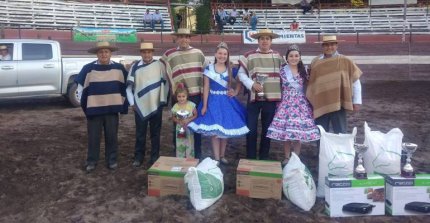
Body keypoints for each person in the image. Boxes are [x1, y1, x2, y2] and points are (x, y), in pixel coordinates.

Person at [188, 42, 249, 164]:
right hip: (213, 101)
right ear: (215, 54)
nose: (222, 56)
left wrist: (236, 91)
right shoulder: (209, 69)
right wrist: (204, 105)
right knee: (215, 132)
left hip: (226, 102)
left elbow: (240, 80)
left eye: (225, 54)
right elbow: (206, 87)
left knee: (224, 130)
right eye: (220, 53)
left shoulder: (231, 69)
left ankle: (222, 155)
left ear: (228, 55)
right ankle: (216, 157)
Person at [75, 41, 128, 172]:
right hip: (94, 110)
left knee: (112, 136)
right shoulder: (88, 69)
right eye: (101, 52)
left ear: (110, 53)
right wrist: (86, 107)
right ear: (96, 54)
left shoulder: (119, 68)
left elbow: (125, 88)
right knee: (93, 137)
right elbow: (80, 89)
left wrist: (123, 105)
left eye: (106, 51)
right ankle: (92, 161)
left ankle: (112, 160)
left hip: (112, 109)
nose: (103, 54)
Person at [266, 45, 320, 166]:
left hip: (301, 104)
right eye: (291, 56)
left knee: (298, 133)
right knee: (287, 133)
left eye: (296, 56)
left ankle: (296, 156)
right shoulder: (281, 71)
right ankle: (286, 156)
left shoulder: (305, 70)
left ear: (300, 57)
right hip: (286, 103)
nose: (294, 58)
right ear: (287, 58)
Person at [160, 28, 207, 160]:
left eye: (186, 37)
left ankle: (197, 152)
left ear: (190, 38)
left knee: (195, 124)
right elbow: (162, 69)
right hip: (179, 96)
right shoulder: (169, 54)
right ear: (177, 38)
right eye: (181, 37)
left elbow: (206, 72)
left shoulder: (198, 53)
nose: (184, 39)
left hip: (195, 94)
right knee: (178, 123)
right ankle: (178, 150)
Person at [237, 29, 285, 160]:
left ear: (271, 41)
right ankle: (250, 157)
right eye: (262, 38)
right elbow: (240, 74)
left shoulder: (278, 56)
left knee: (267, 130)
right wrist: (251, 84)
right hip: (254, 98)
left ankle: (264, 157)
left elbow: (285, 74)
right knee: (251, 129)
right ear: (258, 41)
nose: (264, 41)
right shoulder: (249, 55)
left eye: (267, 38)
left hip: (271, 99)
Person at [306, 35, 362, 134]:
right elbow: (311, 81)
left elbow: (355, 81)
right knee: (320, 132)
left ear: (337, 45)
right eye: (326, 45)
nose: (329, 47)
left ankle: (340, 150)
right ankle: (321, 150)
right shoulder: (315, 62)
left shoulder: (346, 61)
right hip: (320, 103)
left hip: (339, 103)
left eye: (332, 44)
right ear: (322, 46)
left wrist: (357, 101)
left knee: (340, 132)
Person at [126, 42, 168, 167]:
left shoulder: (159, 65)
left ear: (152, 53)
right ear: (141, 53)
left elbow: (165, 83)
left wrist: (162, 99)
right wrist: (132, 103)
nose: (147, 54)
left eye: (149, 52)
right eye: (144, 52)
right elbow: (128, 88)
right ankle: (138, 157)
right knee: (140, 133)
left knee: (155, 133)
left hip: (156, 104)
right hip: (140, 106)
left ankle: (154, 157)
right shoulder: (135, 67)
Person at [171, 83, 197, 158]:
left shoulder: (191, 105)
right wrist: (179, 121)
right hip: (180, 128)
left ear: (187, 96)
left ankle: (190, 160)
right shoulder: (175, 106)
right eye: (179, 96)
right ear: (176, 97)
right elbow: (173, 117)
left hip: (189, 128)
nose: (181, 98)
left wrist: (188, 119)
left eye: (183, 96)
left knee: (190, 144)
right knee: (180, 144)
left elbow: (196, 115)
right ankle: (180, 160)